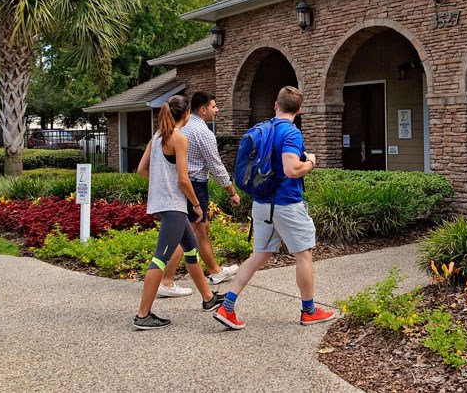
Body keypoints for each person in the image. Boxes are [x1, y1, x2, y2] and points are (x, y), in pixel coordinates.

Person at [214, 86, 335, 330]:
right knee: (303, 255)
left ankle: (227, 306)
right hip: (287, 204)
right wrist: (310, 162)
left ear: (275, 105)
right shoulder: (291, 134)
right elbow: (291, 169)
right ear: (298, 110)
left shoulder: (263, 129)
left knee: (259, 255)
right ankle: (309, 311)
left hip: (262, 203)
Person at [133, 95, 224, 330]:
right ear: (186, 115)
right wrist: (195, 203)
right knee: (160, 257)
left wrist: (161, 184)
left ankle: (208, 298)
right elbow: (184, 180)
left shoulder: (157, 136)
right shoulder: (179, 138)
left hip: (164, 203)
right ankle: (143, 315)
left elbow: (141, 170)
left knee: (191, 248)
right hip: (175, 205)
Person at [157, 92, 241, 298]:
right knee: (185, 232)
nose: (217, 110)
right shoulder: (203, 133)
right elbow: (216, 165)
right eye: (214, 106)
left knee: (200, 228)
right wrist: (231, 191)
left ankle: (215, 271)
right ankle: (166, 281)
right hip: (194, 186)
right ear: (202, 110)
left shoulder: (177, 128)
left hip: (181, 186)